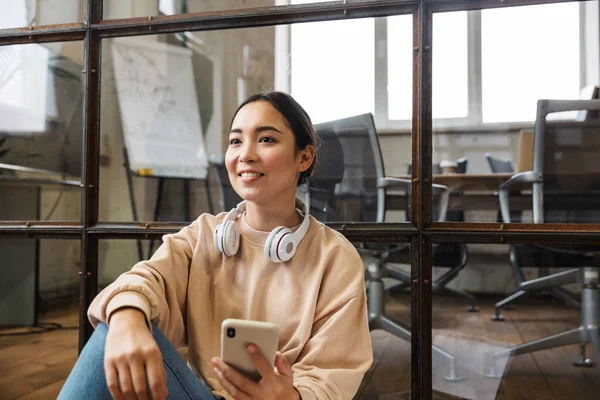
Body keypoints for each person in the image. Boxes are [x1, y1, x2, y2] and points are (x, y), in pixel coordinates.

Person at [58, 91, 373, 400]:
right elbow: (147, 280)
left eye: (266, 139)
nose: (245, 154)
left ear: (304, 157)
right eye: (236, 141)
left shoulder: (335, 257)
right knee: (114, 329)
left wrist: (288, 396)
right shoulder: (204, 234)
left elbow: (334, 374)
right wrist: (126, 317)